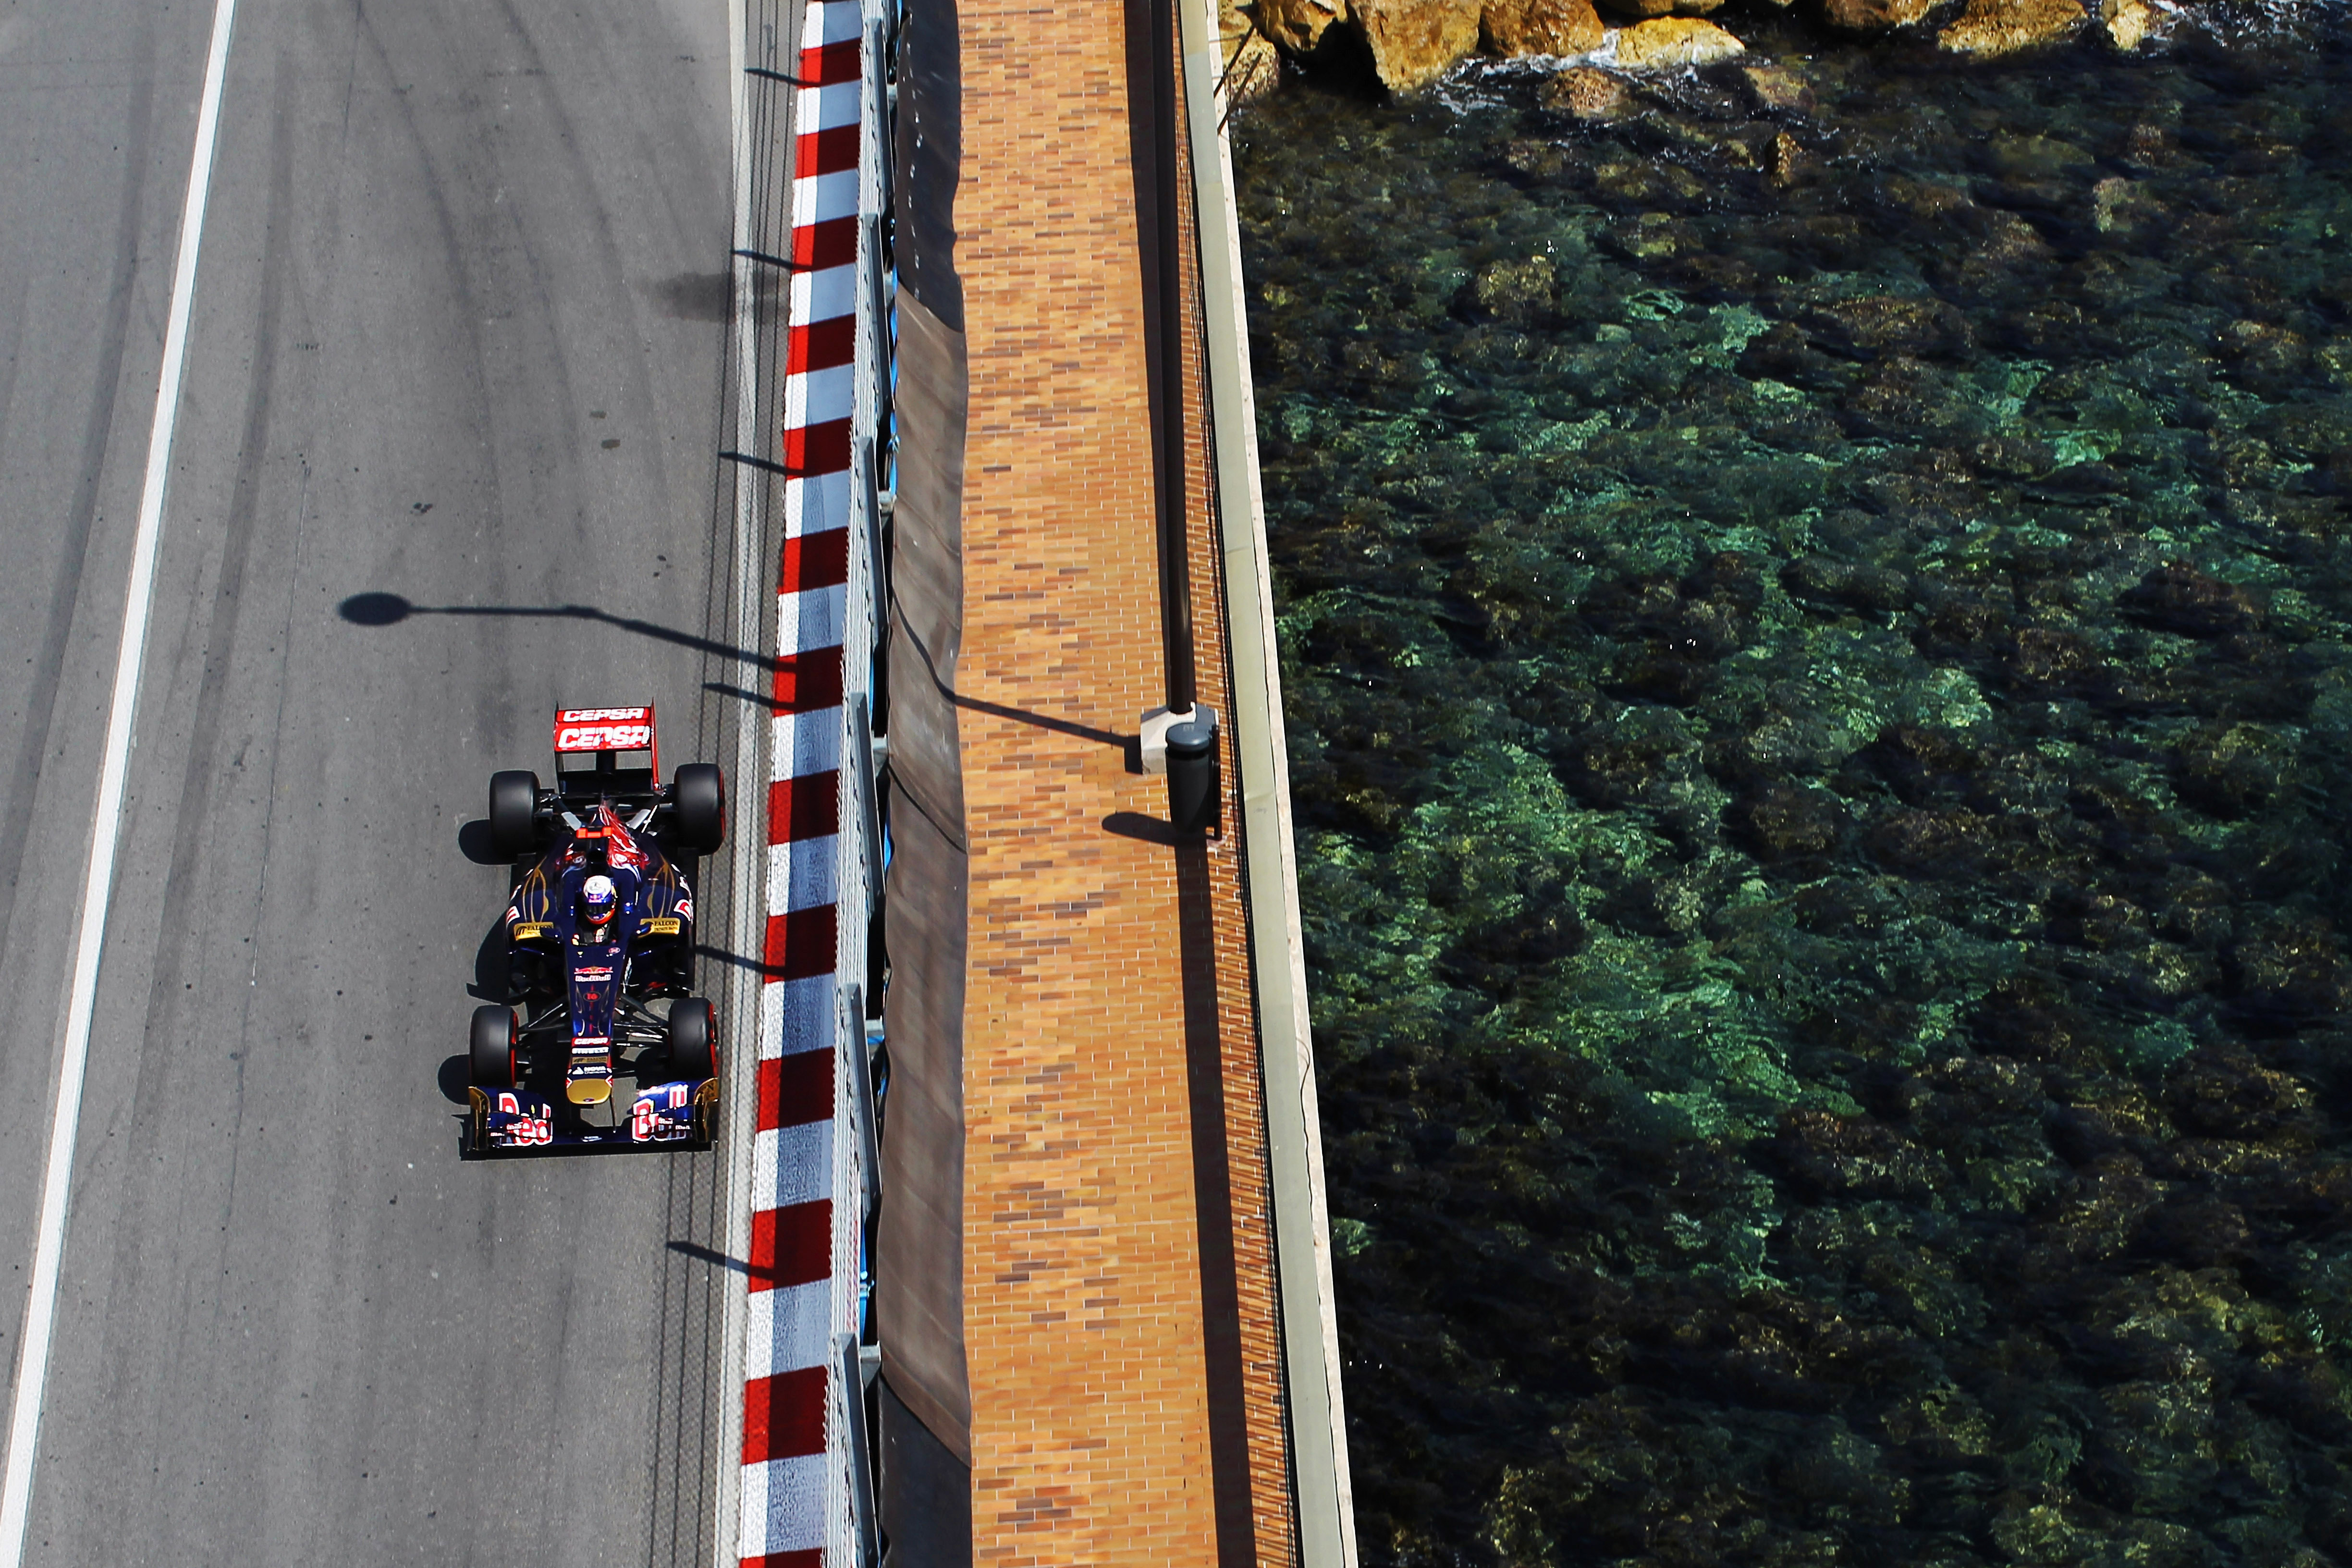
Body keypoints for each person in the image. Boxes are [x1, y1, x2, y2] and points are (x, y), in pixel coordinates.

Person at [578, 873, 619, 943]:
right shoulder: (579, 922)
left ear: (612, 903)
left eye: (601, 908)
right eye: (592, 908)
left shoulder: (619, 922)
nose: (595, 913)